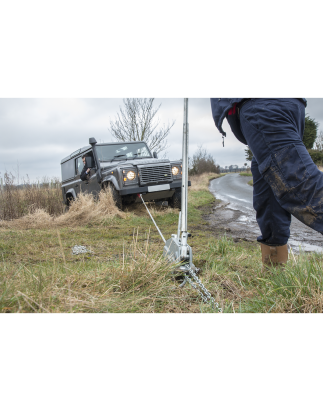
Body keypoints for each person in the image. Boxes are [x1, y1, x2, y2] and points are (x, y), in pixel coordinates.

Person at [210, 97, 322, 269]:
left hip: (262, 106)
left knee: (301, 187)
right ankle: (274, 270)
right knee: (268, 194)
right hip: (283, 105)